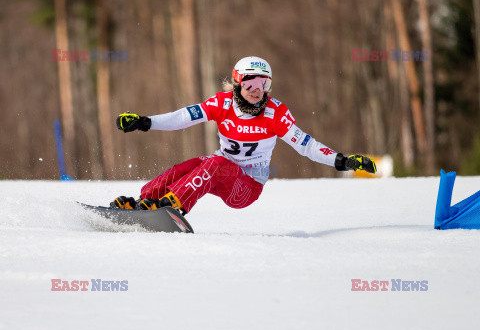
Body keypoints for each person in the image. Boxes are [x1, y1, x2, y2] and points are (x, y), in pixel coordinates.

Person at [111, 56, 376, 214]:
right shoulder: (221, 103)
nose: (257, 90)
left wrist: (343, 161)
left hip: (246, 188)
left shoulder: (275, 114)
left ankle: (170, 207)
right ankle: (145, 202)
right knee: (191, 165)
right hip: (219, 171)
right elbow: (182, 118)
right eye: (250, 82)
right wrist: (144, 122)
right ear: (238, 82)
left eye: (264, 83)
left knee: (214, 163)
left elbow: (307, 146)